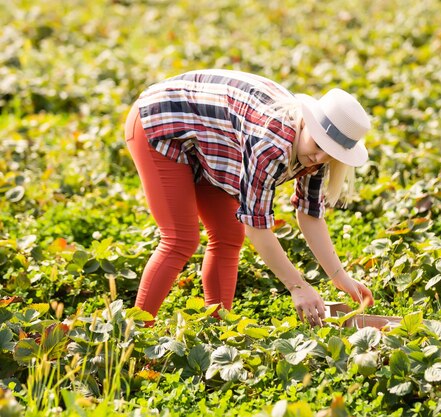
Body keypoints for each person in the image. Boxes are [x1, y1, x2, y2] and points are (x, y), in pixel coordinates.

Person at [124, 69, 374, 326]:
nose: (320, 157)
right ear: (303, 123)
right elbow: (257, 228)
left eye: (331, 152)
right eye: (319, 145)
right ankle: (136, 333)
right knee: (181, 239)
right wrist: (297, 286)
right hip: (160, 120)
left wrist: (339, 276)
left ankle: (217, 329)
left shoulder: (317, 159)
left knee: (228, 235)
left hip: (210, 139)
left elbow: (309, 215)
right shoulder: (271, 143)